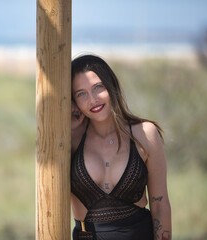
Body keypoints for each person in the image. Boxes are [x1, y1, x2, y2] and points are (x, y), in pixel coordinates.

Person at [70, 54, 171, 240]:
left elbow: (160, 205)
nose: (92, 100)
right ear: (74, 102)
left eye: (97, 88)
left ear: (111, 86)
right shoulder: (70, 140)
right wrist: (69, 130)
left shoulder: (145, 134)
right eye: (81, 94)